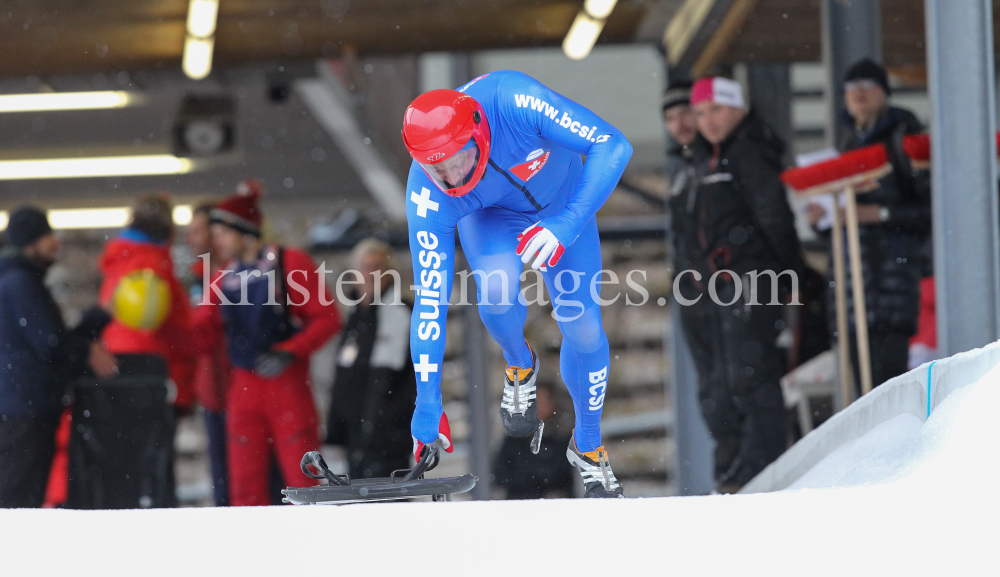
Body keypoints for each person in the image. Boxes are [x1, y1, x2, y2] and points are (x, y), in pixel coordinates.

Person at [401, 71, 632, 498]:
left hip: (564, 206)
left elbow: (613, 144)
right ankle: (519, 363)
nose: (454, 179)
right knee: (497, 286)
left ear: (478, 131)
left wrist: (566, 223)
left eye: (460, 161)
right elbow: (429, 303)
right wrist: (427, 401)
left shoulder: (515, 100)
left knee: (582, 326)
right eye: (439, 171)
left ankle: (589, 446)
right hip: (492, 220)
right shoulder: (428, 195)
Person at [676, 76, 803, 492]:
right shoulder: (700, 161)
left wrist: (793, 274)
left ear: (737, 110)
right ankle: (731, 472)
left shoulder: (750, 152)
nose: (708, 121)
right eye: (701, 113)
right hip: (706, 290)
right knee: (716, 387)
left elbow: (774, 217)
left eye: (716, 110)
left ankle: (760, 471)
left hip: (749, 281)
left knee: (749, 378)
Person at [195, 180, 342, 506]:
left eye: (221, 232)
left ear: (245, 231)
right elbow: (200, 332)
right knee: (244, 488)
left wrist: (290, 352)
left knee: (303, 481)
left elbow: (327, 318)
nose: (215, 240)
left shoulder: (290, 263)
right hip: (244, 387)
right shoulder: (222, 276)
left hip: (285, 385)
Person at [805, 58, 930, 389]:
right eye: (850, 88)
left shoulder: (905, 140)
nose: (857, 94)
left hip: (892, 288)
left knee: (888, 390)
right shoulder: (847, 144)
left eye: (866, 86)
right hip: (851, 292)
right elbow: (846, 218)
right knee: (861, 391)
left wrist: (879, 214)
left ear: (884, 93)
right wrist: (825, 219)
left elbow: (932, 212)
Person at [0, 206, 118, 508]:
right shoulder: (19, 283)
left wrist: (96, 319)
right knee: (18, 500)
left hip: (21, 406)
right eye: (47, 235)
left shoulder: (19, 280)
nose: (55, 242)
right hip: (24, 410)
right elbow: (51, 343)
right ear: (31, 241)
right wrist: (87, 349)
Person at [324, 238, 415, 479]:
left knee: (390, 500)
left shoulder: (401, 312)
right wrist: (336, 430)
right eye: (363, 267)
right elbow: (344, 374)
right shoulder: (355, 317)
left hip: (389, 436)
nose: (369, 275)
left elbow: (397, 377)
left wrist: (388, 423)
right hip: (355, 436)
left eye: (376, 267)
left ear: (389, 273)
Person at [185, 201, 232, 506]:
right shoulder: (199, 276)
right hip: (212, 388)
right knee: (222, 473)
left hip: (236, 384)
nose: (192, 240)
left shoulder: (234, 275)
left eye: (197, 232)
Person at [492, 382, 574, 499]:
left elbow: (567, 482)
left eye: (543, 401)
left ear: (552, 405)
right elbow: (501, 477)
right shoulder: (513, 441)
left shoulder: (562, 440)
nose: (539, 406)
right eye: (535, 401)